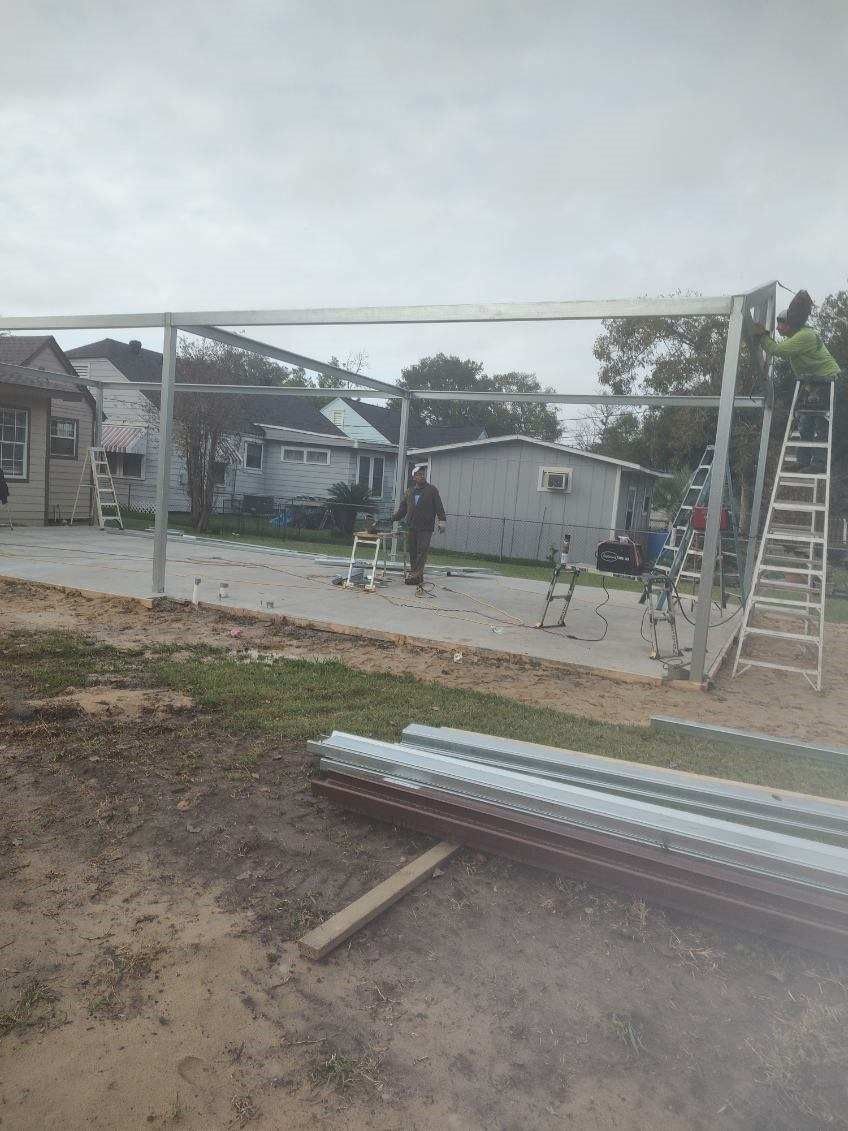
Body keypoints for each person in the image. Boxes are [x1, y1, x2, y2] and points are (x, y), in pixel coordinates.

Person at [752, 290, 841, 470]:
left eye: (780, 325)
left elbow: (778, 351)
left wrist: (762, 336)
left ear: (791, 323)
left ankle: (819, 463)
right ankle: (803, 461)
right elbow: (783, 350)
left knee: (820, 419)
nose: (777, 328)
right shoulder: (796, 337)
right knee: (804, 419)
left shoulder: (804, 336)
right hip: (815, 383)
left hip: (829, 382)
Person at [392, 466, 446, 585]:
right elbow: (402, 510)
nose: (421, 476)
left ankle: (415, 575)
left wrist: (442, 520)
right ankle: (416, 575)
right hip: (412, 526)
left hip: (426, 527)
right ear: (413, 477)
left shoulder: (432, 490)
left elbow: (439, 506)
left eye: (422, 474)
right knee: (413, 551)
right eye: (418, 474)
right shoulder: (409, 492)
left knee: (422, 550)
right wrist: (393, 518)